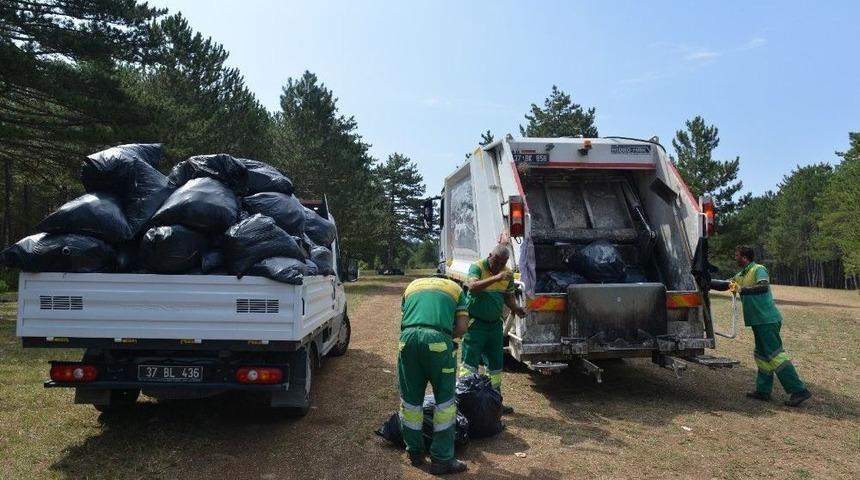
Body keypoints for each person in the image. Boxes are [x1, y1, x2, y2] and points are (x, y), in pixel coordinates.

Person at [712, 245, 812, 407]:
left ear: (744, 257)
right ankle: (763, 391)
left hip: (767, 320)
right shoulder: (741, 274)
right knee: (762, 356)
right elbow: (725, 284)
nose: (735, 258)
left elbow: (763, 286)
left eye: (737, 255)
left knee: (775, 355)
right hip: (758, 321)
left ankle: (798, 390)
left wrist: (742, 289)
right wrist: (705, 282)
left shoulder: (759, 269)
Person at [398, 276, 470, 475]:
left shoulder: (412, 286)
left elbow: (404, 319)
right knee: (444, 404)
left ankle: (415, 453)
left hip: (408, 340)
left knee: (411, 402)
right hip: (438, 342)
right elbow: (463, 327)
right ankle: (441, 459)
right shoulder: (455, 289)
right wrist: (445, 337)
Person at [460, 244, 527, 413]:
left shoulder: (507, 273)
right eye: (495, 262)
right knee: (469, 365)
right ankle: (465, 402)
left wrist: (516, 308)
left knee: (495, 367)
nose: (497, 266)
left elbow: (508, 297)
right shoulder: (478, 267)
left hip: (494, 326)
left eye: (501, 264)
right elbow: (473, 287)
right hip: (475, 325)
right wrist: (496, 277)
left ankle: (494, 403)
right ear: (490, 255)